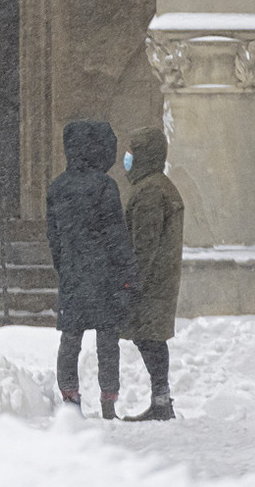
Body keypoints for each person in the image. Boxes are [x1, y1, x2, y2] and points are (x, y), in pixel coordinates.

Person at [46, 120, 140, 420]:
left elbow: (54, 237)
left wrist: (66, 265)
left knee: (70, 338)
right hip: (104, 274)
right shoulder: (104, 186)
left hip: (74, 274)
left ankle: (70, 397)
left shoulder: (57, 187)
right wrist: (127, 272)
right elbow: (116, 234)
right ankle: (108, 401)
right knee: (107, 339)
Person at [120, 127, 184, 422]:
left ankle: (161, 401)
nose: (127, 156)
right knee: (150, 337)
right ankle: (161, 399)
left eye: (133, 150)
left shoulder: (149, 192)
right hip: (158, 278)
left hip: (151, 282)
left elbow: (143, 245)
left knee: (150, 337)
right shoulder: (156, 186)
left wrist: (131, 281)